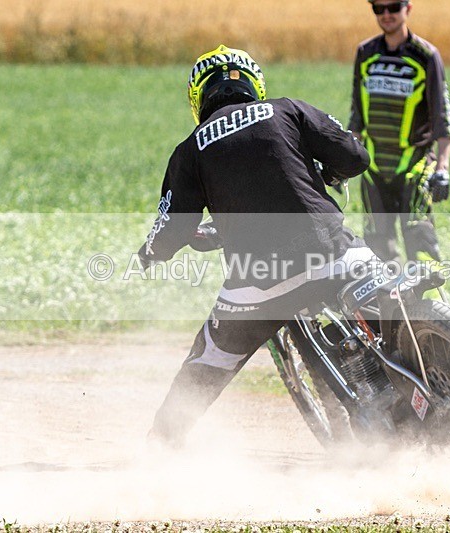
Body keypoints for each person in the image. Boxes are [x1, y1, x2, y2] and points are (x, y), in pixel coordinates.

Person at [137, 45, 374, 447]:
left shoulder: (191, 148)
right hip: (338, 253)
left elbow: (173, 229)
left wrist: (149, 253)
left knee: (207, 360)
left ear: (198, 97)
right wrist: (327, 172)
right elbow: (355, 156)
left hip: (260, 284)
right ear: (255, 85)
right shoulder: (288, 110)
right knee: (397, 306)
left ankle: (159, 446)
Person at [349, 0, 450, 263]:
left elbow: (441, 116)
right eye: (379, 8)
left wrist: (442, 168)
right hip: (373, 170)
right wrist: (342, 160)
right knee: (378, 256)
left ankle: (427, 292)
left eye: (393, 7)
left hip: (414, 167)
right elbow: (357, 118)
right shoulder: (365, 53)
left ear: (408, 9)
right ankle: (389, 291)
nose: (386, 14)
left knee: (423, 252)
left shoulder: (426, 55)